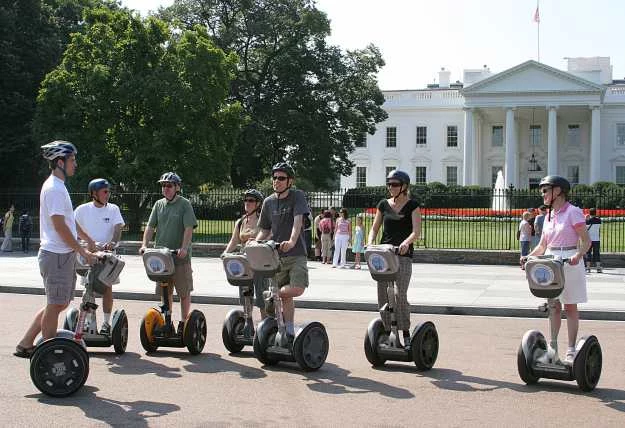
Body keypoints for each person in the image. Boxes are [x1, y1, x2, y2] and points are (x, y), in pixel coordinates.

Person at [14, 141, 96, 358]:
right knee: (56, 303)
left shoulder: (58, 187)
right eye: (72, 160)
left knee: (59, 303)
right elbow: (59, 226)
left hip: (61, 255)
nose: (75, 164)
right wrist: (83, 251)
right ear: (60, 162)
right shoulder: (54, 189)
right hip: (56, 255)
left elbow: (68, 220)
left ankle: (26, 343)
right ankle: (49, 354)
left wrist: (86, 238)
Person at [524, 175, 591, 364]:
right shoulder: (548, 217)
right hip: (551, 262)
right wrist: (529, 257)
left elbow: (585, 241)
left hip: (569, 261)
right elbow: (543, 246)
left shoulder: (573, 212)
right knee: (553, 306)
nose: (542, 194)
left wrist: (578, 255)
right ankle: (553, 349)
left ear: (558, 191)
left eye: (546, 190)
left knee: (570, 306)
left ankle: (570, 349)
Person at [367, 169, 421, 350]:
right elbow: (375, 228)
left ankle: (405, 332)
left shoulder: (412, 205)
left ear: (404, 186)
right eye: (389, 184)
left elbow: (416, 232)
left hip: (402, 255)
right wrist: (369, 242)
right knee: (382, 295)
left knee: (399, 294)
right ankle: (389, 329)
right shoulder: (383, 204)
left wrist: (406, 243)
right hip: (384, 254)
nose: (391, 187)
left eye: (395, 184)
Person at [256, 162, 309, 344]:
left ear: (290, 181)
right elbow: (264, 229)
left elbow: (298, 221)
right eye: (275, 178)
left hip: (296, 253)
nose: (276, 181)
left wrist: (292, 240)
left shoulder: (297, 196)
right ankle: (287, 330)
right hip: (277, 256)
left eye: (281, 178)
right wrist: (256, 243)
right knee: (286, 299)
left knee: (296, 289)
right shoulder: (268, 202)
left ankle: (273, 295)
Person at [140, 172, 197, 334]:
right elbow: (150, 227)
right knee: (165, 292)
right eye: (163, 185)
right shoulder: (158, 204)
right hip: (161, 257)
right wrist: (145, 245)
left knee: (183, 291)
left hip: (179, 257)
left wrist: (184, 248)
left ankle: (184, 324)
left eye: (169, 185)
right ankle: (168, 320)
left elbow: (188, 228)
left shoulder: (184, 204)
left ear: (177, 187)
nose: (166, 188)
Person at [74, 178, 125, 334]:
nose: (107, 194)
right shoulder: (82, 210)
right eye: (105, 191)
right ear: (94, 193)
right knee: (88, 288)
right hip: (89, 254)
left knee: (107, 288)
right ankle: (90, 323)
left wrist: (113, 242)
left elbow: (117, 228)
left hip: (107, 256)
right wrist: (82, 245)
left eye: (108, 191)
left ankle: (106, 323)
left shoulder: (113, 209)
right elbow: (73, 229)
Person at [223, 189, 268, 318]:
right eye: (246, 200)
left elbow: (268, 236)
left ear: (258, 204)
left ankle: (265, 324)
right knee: (245, 293)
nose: (247, 203)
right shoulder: (240, 222)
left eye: (251, 200)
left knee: (261, 295)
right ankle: (248, 321)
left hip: (259, 262)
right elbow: (234, 241)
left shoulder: (263, 221)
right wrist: (225, 253)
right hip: (244, 263)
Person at [585, 208, 602, 273]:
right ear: (596, 213)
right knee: (597, 253)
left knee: (588, 253)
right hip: (596, 239)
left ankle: (588, 268)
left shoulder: (588, 221)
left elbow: (585, 229)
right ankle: (598, 268)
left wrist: (586, 219)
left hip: (589, 239)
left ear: (589, 213)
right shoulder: (599, 220)